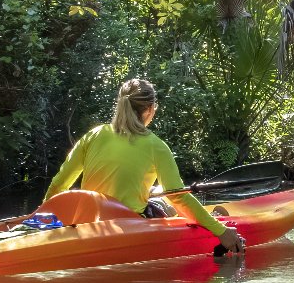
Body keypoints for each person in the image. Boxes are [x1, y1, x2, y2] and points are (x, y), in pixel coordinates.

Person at [44, 78, 245, 254]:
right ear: (150, 109)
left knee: (155, 191)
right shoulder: (156, 146)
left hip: (89, 223)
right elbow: (178, 197)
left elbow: (58, 184)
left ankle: (208, 214)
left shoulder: (93, 135)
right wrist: (221, 231)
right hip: (131, 224)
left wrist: (41, 221)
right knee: (165, 200)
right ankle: (215, 218)